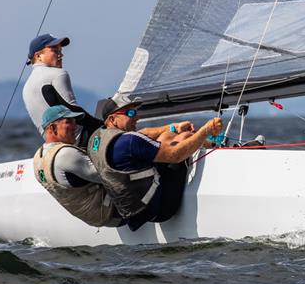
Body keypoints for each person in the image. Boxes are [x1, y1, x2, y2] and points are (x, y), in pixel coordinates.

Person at [88, 96, 223, 231]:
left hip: (131, 210)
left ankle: (213, 144)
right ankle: (217, 145)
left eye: (135, 112)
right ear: (112, 119)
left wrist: (173, 127)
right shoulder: (129, 141)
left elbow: (143, 134)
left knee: (166, 136)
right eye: (130, 113)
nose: (136, 117)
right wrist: (205, 131)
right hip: (159, 209)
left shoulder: (97, 139)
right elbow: (175, 155)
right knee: (183, 138)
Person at [32, 105, 121, 228]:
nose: (75, 127)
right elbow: (111, 175)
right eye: (68, 122)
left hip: (94, 216)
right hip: (112, 212)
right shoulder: (65, 154)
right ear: (52, 128)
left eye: (75, 122)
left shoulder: (38, 157)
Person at [22, 33, 100, 145]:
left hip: (52, 145)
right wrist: (104, 125)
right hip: (81, 140)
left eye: (60, 51)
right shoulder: (58, 74)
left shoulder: (26, 87)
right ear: (38, 56)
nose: (61, 55)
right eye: (55, 50)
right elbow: (74, 109)